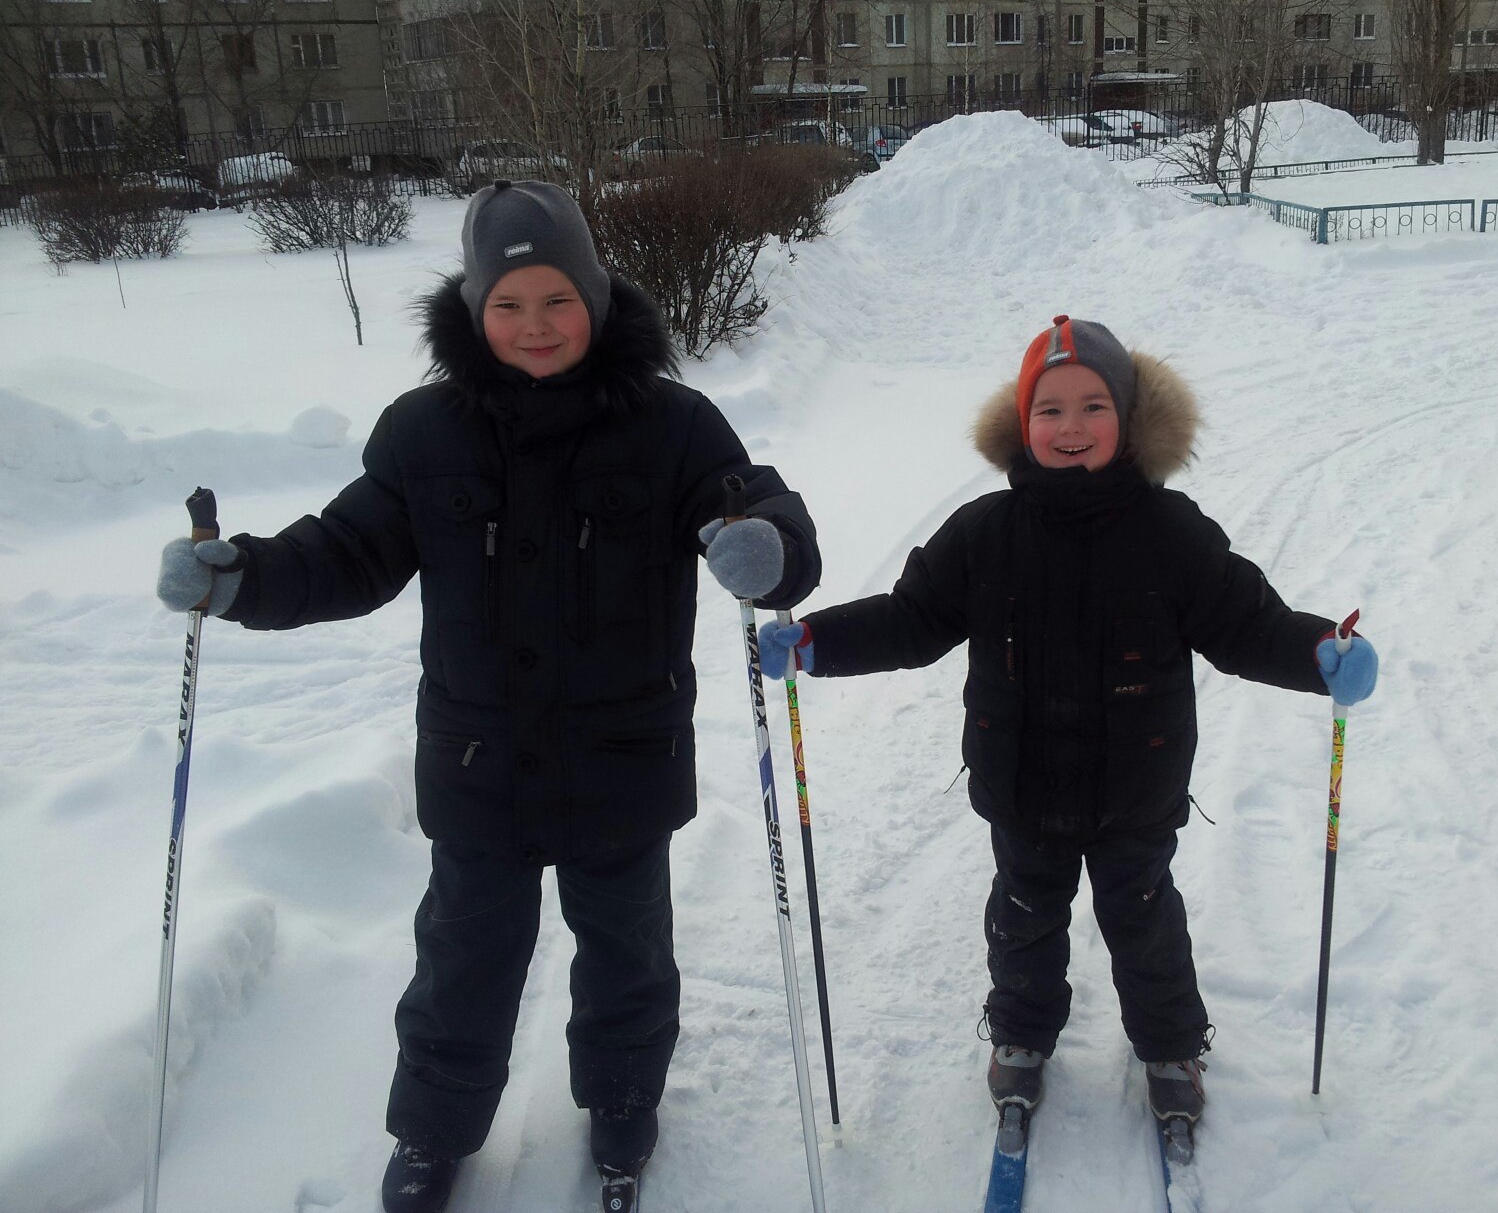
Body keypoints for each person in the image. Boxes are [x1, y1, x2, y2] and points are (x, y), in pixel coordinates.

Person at [155, 180, 821, 1213]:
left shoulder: (674, 424)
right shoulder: (424, 432)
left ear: (594, 297)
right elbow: (347, 551)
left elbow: (755, 503)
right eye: (508, 304)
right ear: (474, 310)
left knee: (628, 955)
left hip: (624, 760)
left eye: (556, 299)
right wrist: (242, 578)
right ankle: (433, 1130)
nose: (534, 325)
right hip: (479, 763)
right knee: (463, 958)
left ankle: (623, 1100)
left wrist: (770, 548)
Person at [758, 315, 1376, 1135]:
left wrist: (1318, 653)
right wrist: (819, 642)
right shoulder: (985, 532)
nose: (1071, 426)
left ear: (1129, 419)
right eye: (1049, 409)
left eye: (1093, 406)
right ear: (1023, 423)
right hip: (1021, 785)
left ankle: (1171, 1046)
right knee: (1023, 915)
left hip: (1137, 787)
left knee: (1143, 919)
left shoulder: (1172, 533)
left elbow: (1245, 624)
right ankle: (1020, 1033)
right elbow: (912, 619)